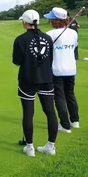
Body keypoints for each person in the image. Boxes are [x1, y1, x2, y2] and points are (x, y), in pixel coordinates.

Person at [13, 10, 59, 157]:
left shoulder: (20, 39)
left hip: (27, 80)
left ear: (25, 22)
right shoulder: (48, 38)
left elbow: (16, 61)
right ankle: (51, 146)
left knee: (28, 113)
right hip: (46, 79)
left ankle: (30, 148)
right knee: (50, 111)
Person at [44, 7, 80, 132]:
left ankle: (65, 125)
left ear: (54, 20)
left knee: (59, 97)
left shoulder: (49, 34)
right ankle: (75, 121)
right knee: (70, 94)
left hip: (56, 69)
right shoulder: (73, 33)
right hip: (71, 68)